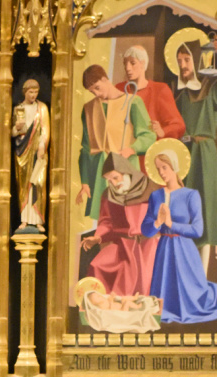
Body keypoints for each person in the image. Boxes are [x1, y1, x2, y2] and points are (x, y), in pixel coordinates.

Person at [141, 143, 217, 323]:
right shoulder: (156, 196)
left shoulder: (191, 195)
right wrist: (158, 223)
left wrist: (171, 224)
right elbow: (145, 229)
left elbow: (198, 230)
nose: (161, 172)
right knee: (164, 295)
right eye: (158, 168)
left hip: (185, 250)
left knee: (192, 295)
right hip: (164, 249)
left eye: (164, 167)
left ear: (174, 167)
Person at [76, 64, 155, 220]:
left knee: (128, 218)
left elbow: (148, 136)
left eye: (98, 88)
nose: (96, 93)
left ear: (106, 79)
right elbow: (85, 148)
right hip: (99, 173)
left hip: (125, 168)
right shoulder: (88, 108)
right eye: (92, 91)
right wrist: (85, 181)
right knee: (104, 220)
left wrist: (132, 149)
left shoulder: (133, 102)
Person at [82, 153, 159, 296]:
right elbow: (106, 222)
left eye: (115, 177)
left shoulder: (151, 188)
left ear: (126, 171)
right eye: (109, 180)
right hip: (121, 245)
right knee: (97, 265)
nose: (113, 183)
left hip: (147, 244)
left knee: (147, 280)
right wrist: (98, 237)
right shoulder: (108, 195)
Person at [173, 39, 217, 272]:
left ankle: (203, 272)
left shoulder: (212, 87)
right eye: (179, 60)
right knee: (189, 212)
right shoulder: (179, 94)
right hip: (186, 156)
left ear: (197, 59)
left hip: (208, 156)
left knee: (208, 212)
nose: (182, 65)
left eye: (187, 59)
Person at [115, 45, 185, 141]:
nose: (127, 68)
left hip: (150, 151)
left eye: (132, 63)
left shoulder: (160, 90)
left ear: (143, 64)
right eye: (125, 63)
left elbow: (178, 125)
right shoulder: (119, 89)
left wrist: (163, 131)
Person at [12, 79, 49, 232]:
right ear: (25, 92)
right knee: (24, 185)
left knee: (38, 184)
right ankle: (25, 219)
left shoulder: (42, 109)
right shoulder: (18, 109)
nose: (33, 95)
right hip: (22, 152)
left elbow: (45, 129)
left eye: (36, 92)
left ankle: (39, 219)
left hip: (38, 151)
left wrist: (42, 144)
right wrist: (16, 128)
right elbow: (13, 133)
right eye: (31, 92)